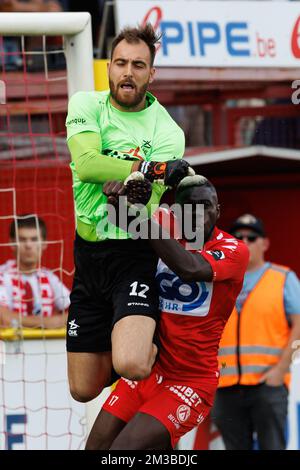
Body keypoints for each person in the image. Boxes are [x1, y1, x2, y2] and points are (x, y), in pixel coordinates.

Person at [65, 23, 191, 404]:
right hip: (87, 257)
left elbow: (143, 201)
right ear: (108, 67)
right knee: (83, 389)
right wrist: (151, 169)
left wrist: (137, 181)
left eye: (138, 65)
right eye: (120, 62)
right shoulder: (85, 103)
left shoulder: (168, 131)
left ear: (151, 73)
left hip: (132, 254)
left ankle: (157, 359)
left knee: (133, 363)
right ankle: (126, 346)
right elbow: (86, 164)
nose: (128, 72)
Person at [84, 175, 249, 450]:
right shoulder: (164, 226)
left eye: (205, 206)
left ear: (217, 210)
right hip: (148, 370)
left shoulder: (233, 250)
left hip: (191, 381)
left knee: (122, 451)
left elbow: (190, 268)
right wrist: (116, 200)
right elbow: (115, 222)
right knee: (97, 447)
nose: (197, 214)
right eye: (188, 207)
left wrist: (141, 217)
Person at [212, 213, 300, 450]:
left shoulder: (282, 278)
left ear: (265, 243)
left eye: (252, 237)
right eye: (239, 237)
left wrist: (281, 369)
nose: (245, 241)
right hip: (225, 386)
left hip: (268, 385)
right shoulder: (218, 280)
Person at [0, 215, 69, 329]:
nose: (28, 245)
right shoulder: (2, 275)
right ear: (12, 243)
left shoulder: (50, 277)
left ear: (44, 244)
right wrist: (48, 322)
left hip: (46, 345)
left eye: (34, 239)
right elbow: (4, 318)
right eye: (22, 240)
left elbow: (76, 312)